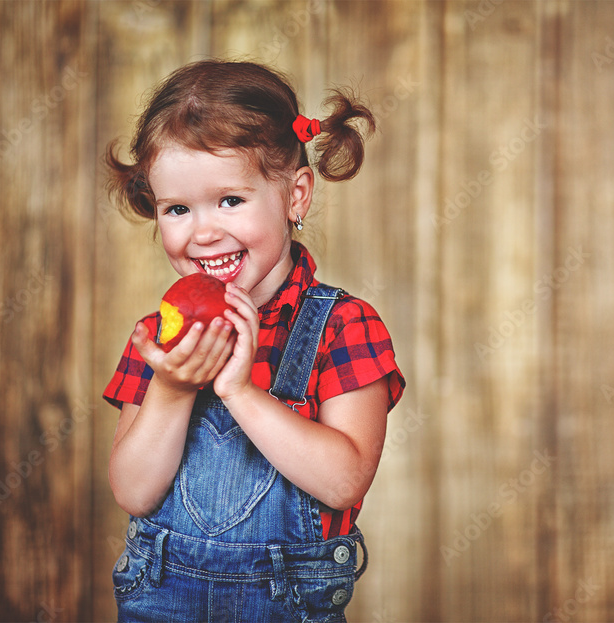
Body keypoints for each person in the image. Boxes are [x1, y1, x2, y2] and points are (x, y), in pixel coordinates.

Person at [102, 59, 405, 622]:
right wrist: (170, 387)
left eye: (231, 201)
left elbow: (343, 482)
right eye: (177, 209)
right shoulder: (159, 340)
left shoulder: (343, 327)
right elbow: (134, 492)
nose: (203, 230)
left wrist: (240, 390)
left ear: (295, 196)